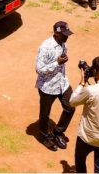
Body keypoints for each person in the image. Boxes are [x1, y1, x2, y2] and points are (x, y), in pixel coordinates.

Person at [35, 21, 76, 152]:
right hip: (47, 86)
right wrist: (57, 63)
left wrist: (62, 60)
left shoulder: (63, 43)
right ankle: (44, 136)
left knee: (70, 106)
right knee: (45, 115)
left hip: (62, 83)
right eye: (64, 34)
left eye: (67, 34)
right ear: (56, 33)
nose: (67, 37)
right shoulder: (45, 47)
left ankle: (58, 132)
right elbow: (39, 69)